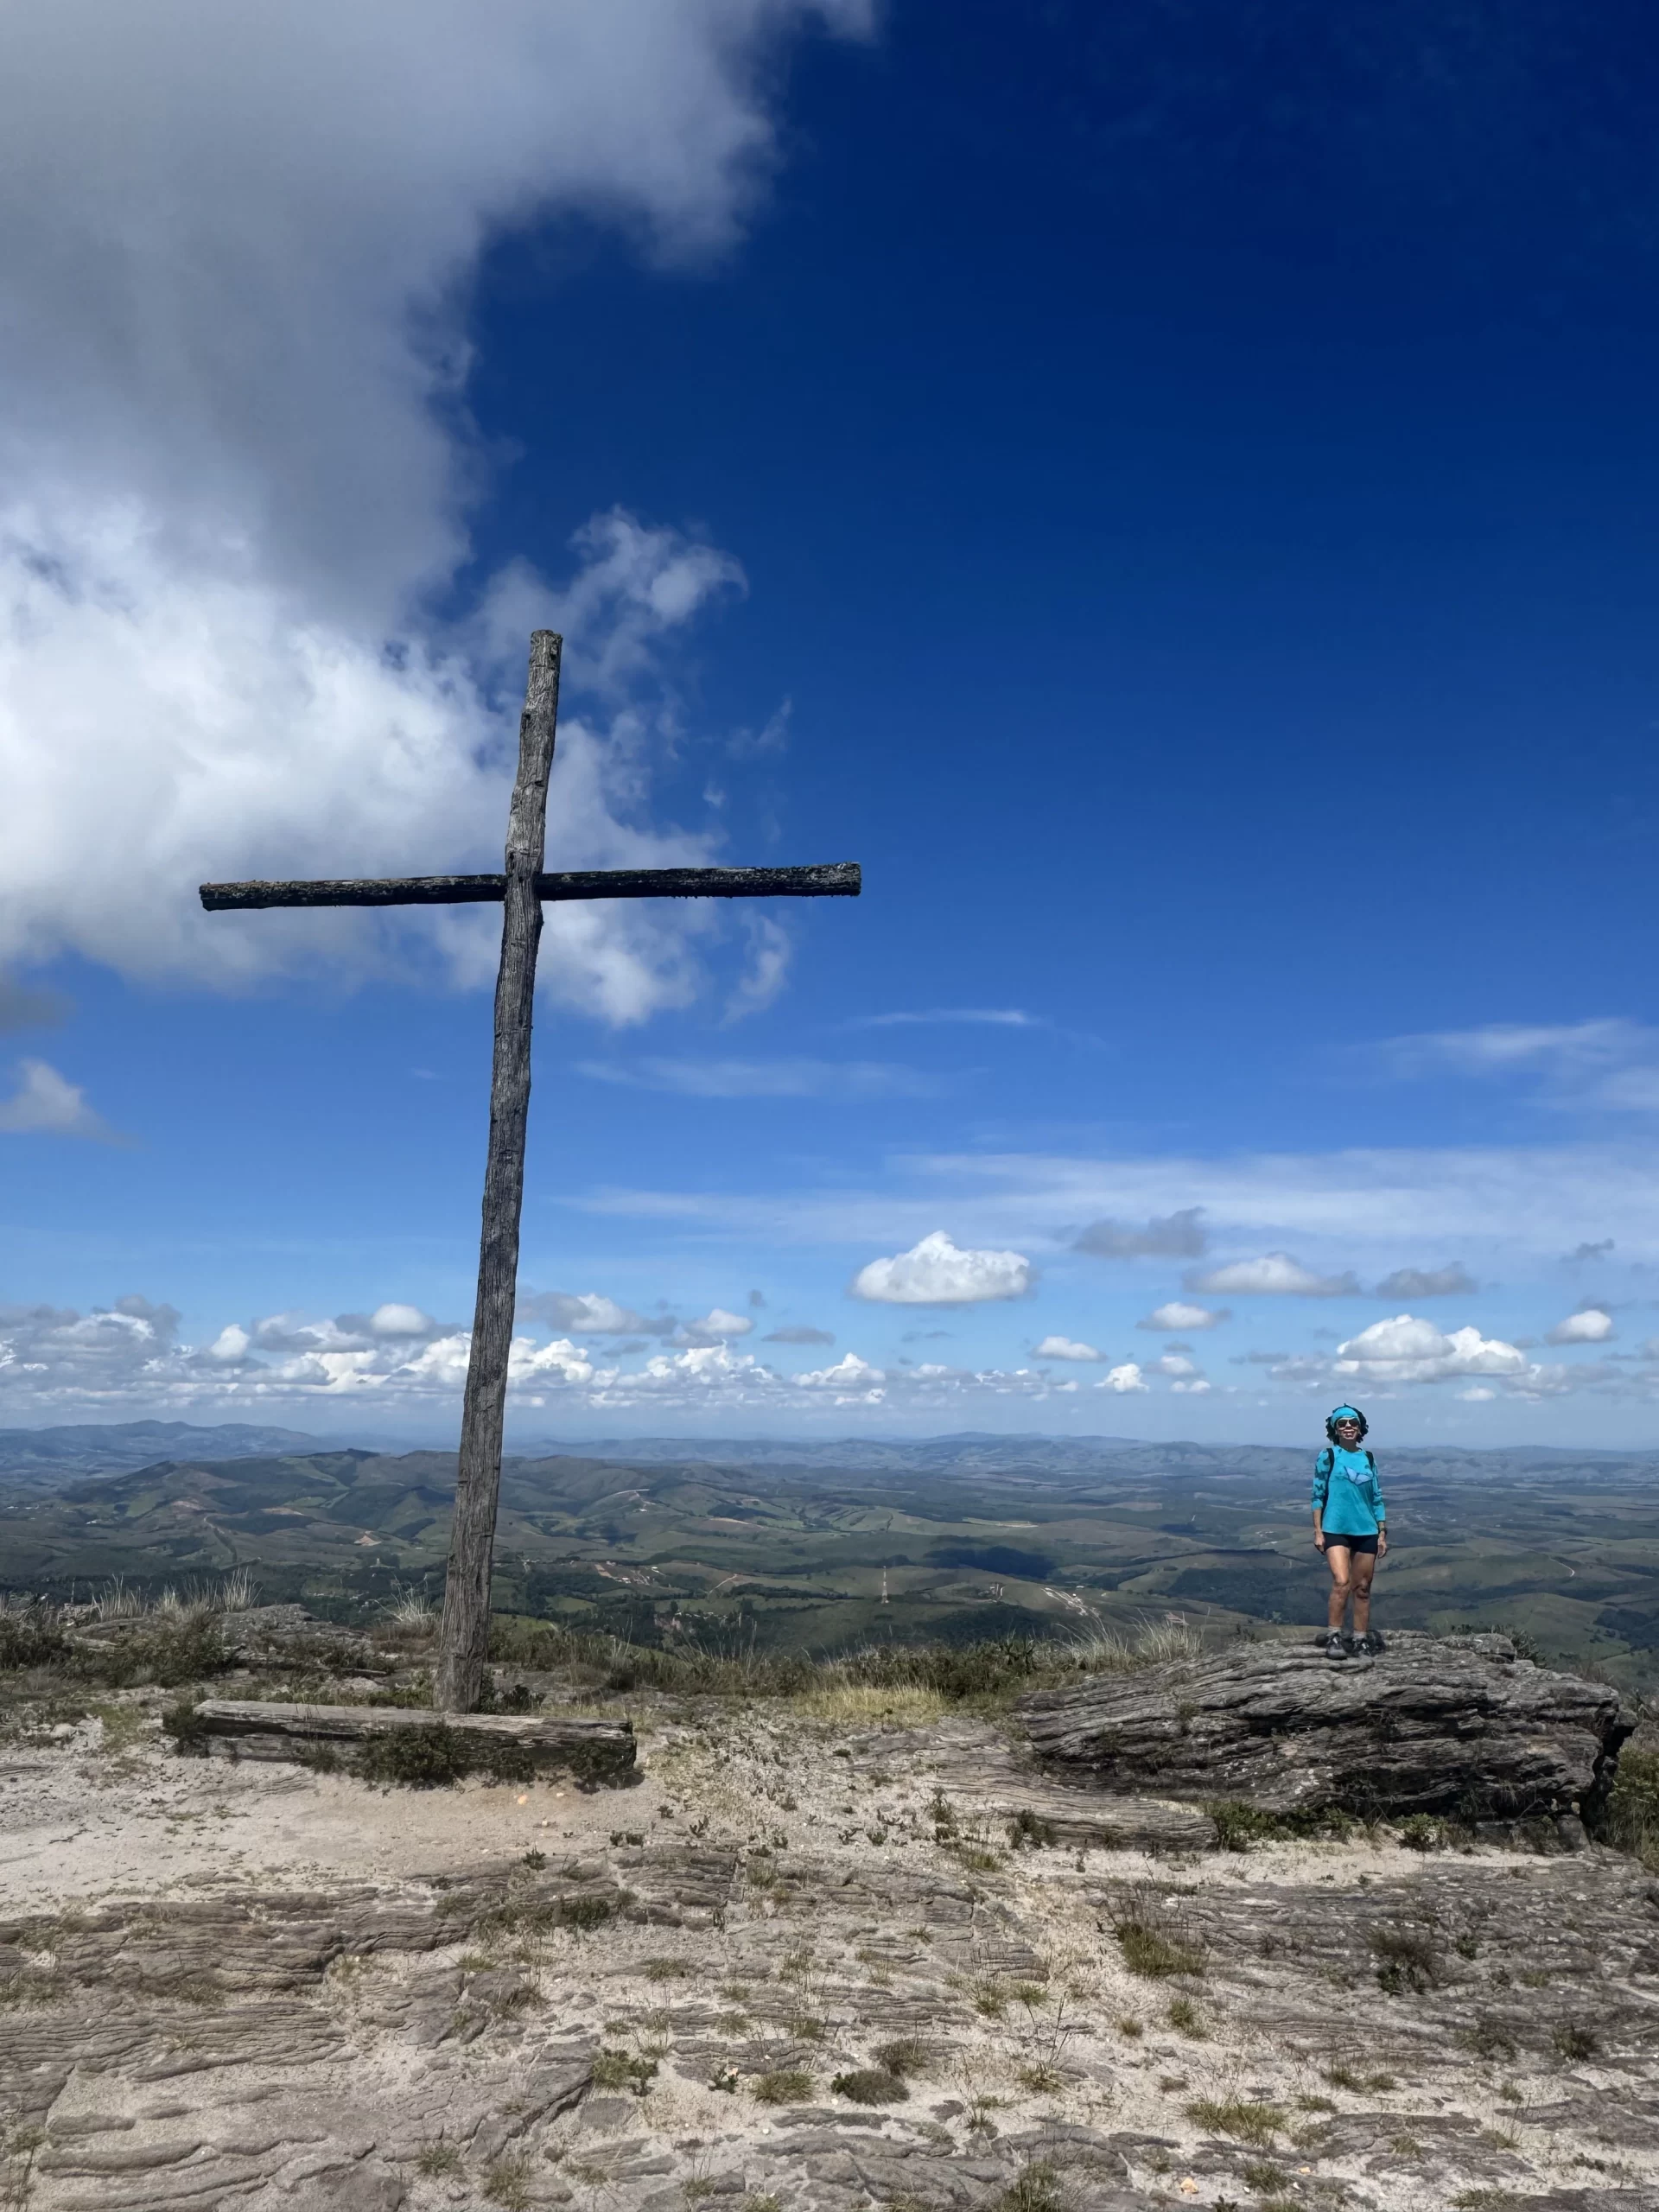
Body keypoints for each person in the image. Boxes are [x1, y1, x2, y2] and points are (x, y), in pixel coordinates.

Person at [1312, 1404, 1388, 1658]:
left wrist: (1382, 1532)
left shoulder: (1368, 1458)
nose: (1348, 1426)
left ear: (1360, 1427)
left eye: (1352, 1422)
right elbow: (1317, 1495)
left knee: (1363, 1588)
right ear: (1335, 1428)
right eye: (1342, 1423)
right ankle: (1334, 1636)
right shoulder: (1328, 1456)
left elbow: (1377, 1497)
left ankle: (1360, 1640)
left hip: (1366, 1529)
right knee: (1342, 1582)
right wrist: (1318, 1531)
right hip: (1335, 1528)